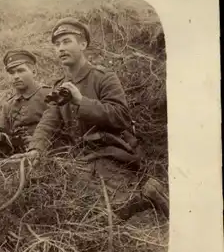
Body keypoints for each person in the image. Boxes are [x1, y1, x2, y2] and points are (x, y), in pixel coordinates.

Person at [13, 18, 169, 220]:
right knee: (67, 207)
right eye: (57, 44)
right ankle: (141, 198)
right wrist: (35, 149)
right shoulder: (60, 86)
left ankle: (148, 196)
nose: (61, 48)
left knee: (95, 217)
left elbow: (121, 116)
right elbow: (47, 122)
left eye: (67, 41)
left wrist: (81, 101)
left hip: (111, 154)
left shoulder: (103, 77)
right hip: (81, 159)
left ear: (83, 44)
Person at [0, 49, 53, 155]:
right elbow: (2, 137)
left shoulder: (49, 95)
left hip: (47, 154)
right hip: (17, 157)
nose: (16, 76)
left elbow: (60, 131)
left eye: (21, 70)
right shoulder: (8, 105)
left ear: (34, 72)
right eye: (11, 73)